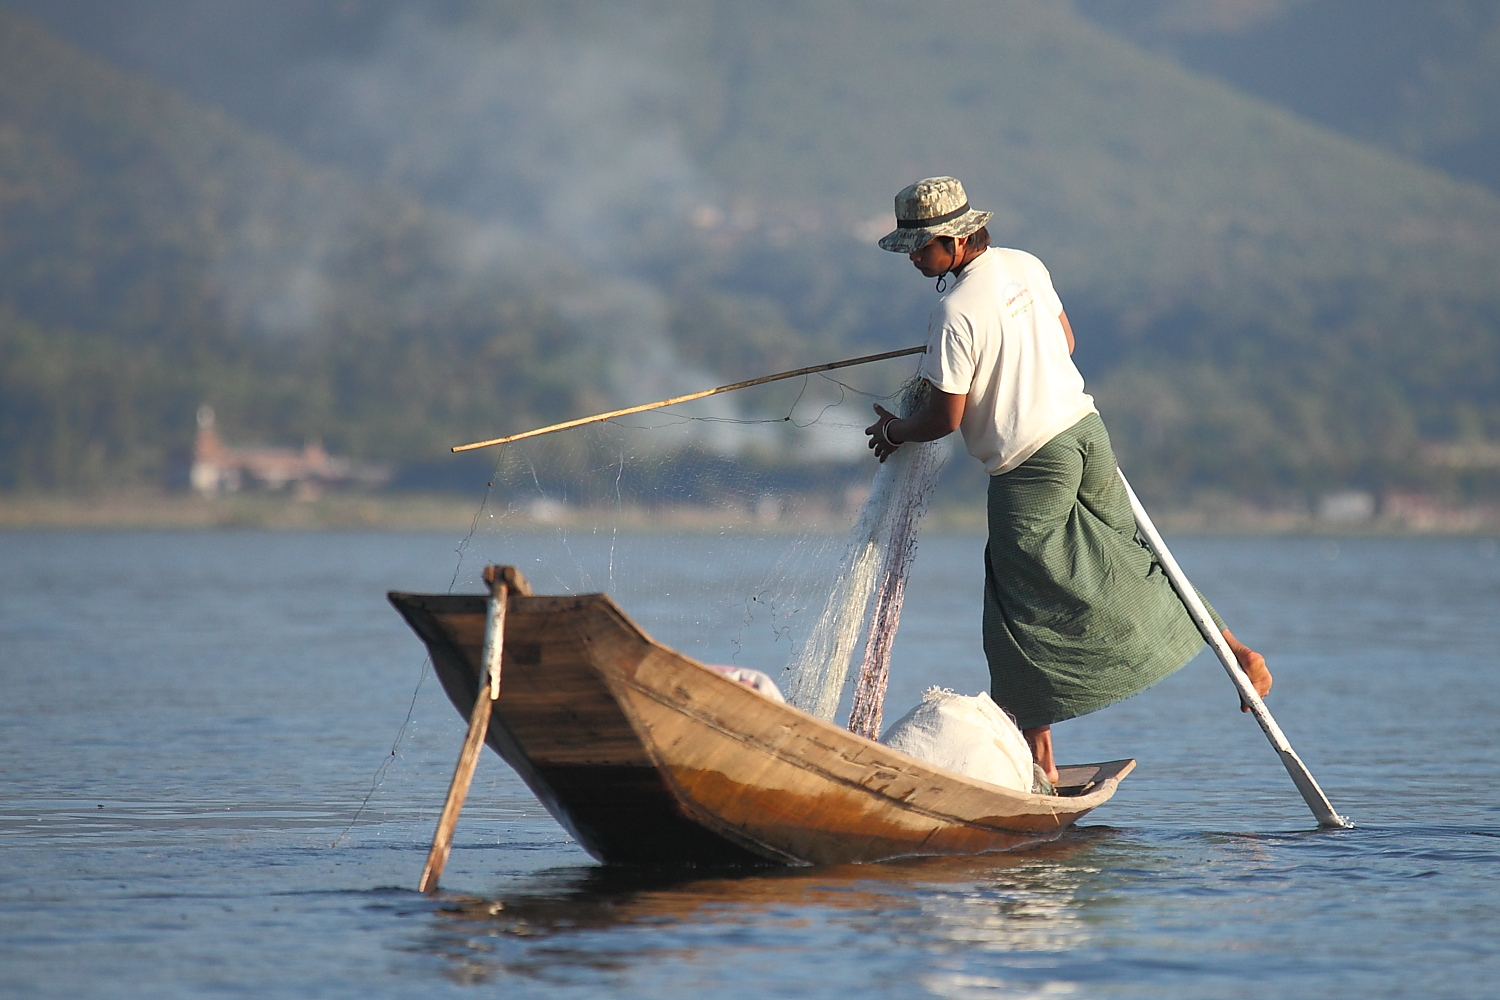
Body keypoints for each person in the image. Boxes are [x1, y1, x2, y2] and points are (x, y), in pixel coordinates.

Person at [864, 176, 1271, 785]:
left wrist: (896, 432)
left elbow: (945, 418)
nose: (916, 259)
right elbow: (1066, 340)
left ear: (953, 240)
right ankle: (1236, 650)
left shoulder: (952, 313)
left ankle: (1042, 767)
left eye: (921, 247)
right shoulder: (1025, 265)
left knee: (1015, 608)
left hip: (1031, 463)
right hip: (1086, 432)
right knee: (1135, 555)